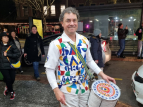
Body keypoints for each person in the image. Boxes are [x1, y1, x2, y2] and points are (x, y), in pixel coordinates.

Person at [44, 7, 116, 107]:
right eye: (68, 20)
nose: (72, 23)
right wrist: (56, 90)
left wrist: (102, 75)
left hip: (84, 87)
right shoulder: (56, 44)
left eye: (74, 20)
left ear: (77, 22)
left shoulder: (84, 40)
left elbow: (89, 61)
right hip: (67, 89)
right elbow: (49, 69)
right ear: (62, 23)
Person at [0, 33, 20, 100]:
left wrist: (8, 54)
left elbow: (18, 54)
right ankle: (12, 91)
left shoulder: (12, 45)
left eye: (7, 37)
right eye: (5, 37)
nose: (6, 38)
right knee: (8, 79)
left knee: (12, 79)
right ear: (1, 38)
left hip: (11, 65)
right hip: (3, 66)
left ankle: (7, 87)